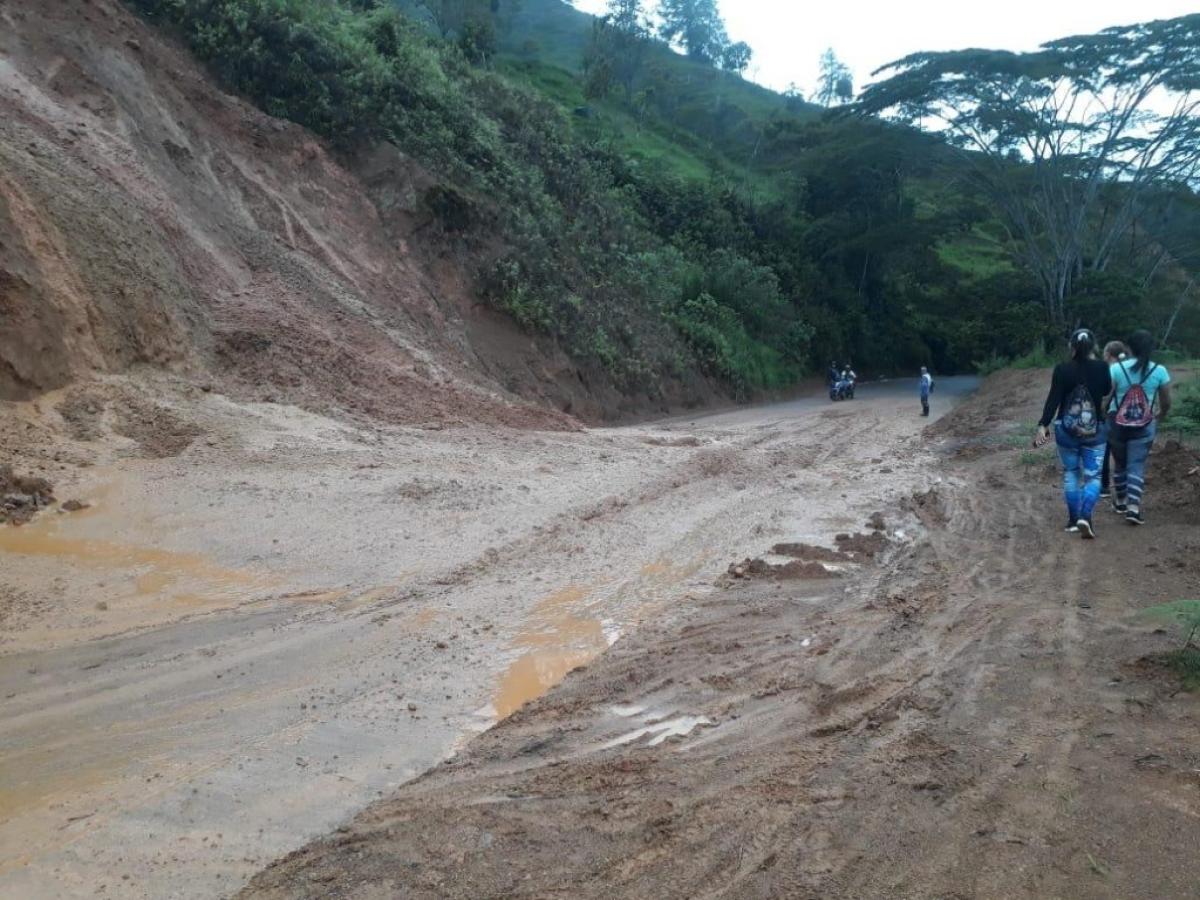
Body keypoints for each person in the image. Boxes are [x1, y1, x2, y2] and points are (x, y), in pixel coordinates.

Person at [1033, 329, 1112, 538]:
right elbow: (1105, 391)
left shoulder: (1062, 369)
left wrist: (1043, 424)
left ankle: (1073, 520)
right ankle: (1086, 516)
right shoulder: (1102, 367)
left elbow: (1054, 398)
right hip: (1094, 429)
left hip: (1065, 430)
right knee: (1092, 475)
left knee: (1071, 474)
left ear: (1072, 346)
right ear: (1093, 346)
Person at [1107, 330, 1171, 525]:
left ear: (1128, 348)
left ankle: (1120, 501)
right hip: (1144, 423)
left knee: (1119, 463)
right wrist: (1159, 416)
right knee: (1136, 464)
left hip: (1116, 422)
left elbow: (1105, 397)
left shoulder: (1116, 369)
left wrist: (1102, 415)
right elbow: (1166, 402)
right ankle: (1133, 508)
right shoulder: (1159, 371)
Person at [1098, 340, 1128, 499]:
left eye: (1104, 353)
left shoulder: (1110, 370)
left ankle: (1104, 486)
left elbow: (1105, 395)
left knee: (1105, 450)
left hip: (1111, 414)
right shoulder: (1130, 368)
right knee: (1122, 453)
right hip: (1129, 416)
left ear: (1108, 354)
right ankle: (1123, 489)